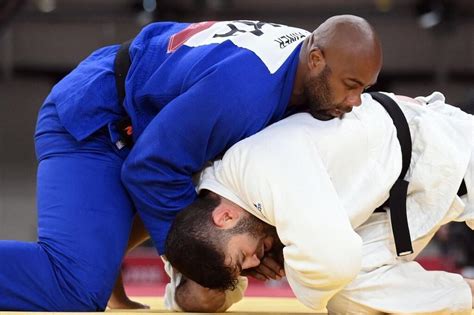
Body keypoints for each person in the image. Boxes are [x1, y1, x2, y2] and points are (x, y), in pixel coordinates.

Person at [0, 15, 382, 311]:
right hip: (96, 119)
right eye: (351, 86)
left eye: (365, 89)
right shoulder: (244, 93)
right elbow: (150, 170)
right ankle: (95, 259)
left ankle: (104, 253)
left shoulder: (305, 62)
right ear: (315, 60)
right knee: (75, 287)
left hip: (144, 120)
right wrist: (196, 261)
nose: (355, 102)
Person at [164, 91, 474, 314]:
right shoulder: (222, 190)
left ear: (225, 217)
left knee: (335, 275)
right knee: (347, 297)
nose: (253, 265)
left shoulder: (260, 170)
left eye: (241, 258)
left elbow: (332, 263)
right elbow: (194, 295)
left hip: (448, 150)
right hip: (402, 192)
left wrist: (290, 257)